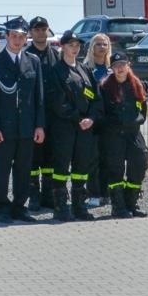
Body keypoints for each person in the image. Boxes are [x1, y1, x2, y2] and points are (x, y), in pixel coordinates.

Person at [0, 17, 44, 222]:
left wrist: (39, 125)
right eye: (14, 36)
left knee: (23, 169)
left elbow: (38, 97)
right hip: (3, 128)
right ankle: (2, 207)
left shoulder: (32, 61)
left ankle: (19, 206)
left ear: (26, 39)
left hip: (26, 127)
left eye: (21, 36)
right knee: (1, 169)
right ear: (6, 36)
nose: (17, 40)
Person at [45, 30, 100, 222]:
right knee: (61, 166)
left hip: (85, 128)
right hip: (65, 128)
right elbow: (58, 102)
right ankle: (60, 207)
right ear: (62, 46)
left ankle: (79, 206)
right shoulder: (55, 71)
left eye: (77, 45)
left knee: (81, 166)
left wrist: (91, 118)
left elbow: (95, 97)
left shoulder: (85, 70)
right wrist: (78, 118)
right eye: (71, 45)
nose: (74, 49)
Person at [98, 50, 148, 218]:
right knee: (116, 168)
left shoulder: (136, 84)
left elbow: (143, 108)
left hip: (133, 132)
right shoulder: (105, 87)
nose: (119, 69)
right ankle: (118, 206)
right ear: (111, 68)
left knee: (140, 161)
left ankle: (131, 203)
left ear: (128, 66)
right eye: (115, 66)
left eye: (122, 65)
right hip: (114, 134)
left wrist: (137, 120)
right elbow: (101, 113)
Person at [26, 16, 61, 207]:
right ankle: (33, 195)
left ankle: (49, 195)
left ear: (48, 31)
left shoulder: (56, 55)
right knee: (33, 157)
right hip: (32, 116)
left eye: (43, 29)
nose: (40, 32)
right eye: (36, 29)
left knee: (50, 157)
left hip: (52, 115)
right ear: (30, 32)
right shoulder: (25, 56)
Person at [82, 33, 115, 206]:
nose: (102, 47)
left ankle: (106, 192)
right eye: (98, 44)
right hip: (93, 120)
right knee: (92, 159)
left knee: (107, 158)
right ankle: (93, 193)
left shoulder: (113, 69)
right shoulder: (86, 68)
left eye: (105, 44)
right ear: (92, 47)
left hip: (109, 122)